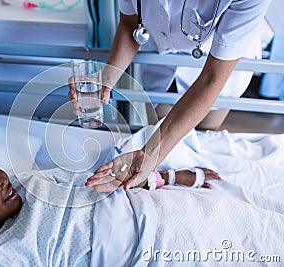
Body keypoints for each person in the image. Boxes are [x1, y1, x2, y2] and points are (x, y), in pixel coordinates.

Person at [0, 148, 230, 266]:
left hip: (144, 205)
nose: (1, 179)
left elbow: (107, 180)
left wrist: (172, 176)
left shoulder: (26, 182)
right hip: (141, 248)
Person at [69, 0, 271, 193]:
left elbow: (212, 78)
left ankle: (183, 173)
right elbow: (130, 24)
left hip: (218, 63)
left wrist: (150, 154)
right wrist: (106, 81)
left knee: (204, 136)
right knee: (158, 131)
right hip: (162, 59)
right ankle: (171, 174)